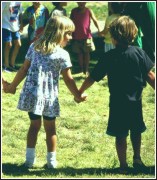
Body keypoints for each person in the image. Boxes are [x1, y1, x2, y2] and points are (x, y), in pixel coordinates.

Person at [3, 16, 87, 169]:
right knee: (51, 129)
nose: (70, 37)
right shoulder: (63, 54)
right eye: (68, 33)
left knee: (34, 126)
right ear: (57, 33)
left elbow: (23, 69)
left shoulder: (34, 46)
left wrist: (12, 87)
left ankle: (29, 161)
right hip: (49, 97)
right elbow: (68, 79)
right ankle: (52, 162)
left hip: (32, 95)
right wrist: (77, 95)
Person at [78, 16, 155, 173]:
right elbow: (150, 76)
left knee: (120, 135)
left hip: (117, 103)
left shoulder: (108, 56)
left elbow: (92, 77)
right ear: (133, 34)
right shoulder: (139, 53)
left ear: (112, 37)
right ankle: (137, 159)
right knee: (136, 130)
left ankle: (123, 165)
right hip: (136, 102)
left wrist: (80, 91)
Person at [70, 2, 101, 75]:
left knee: (87, 53)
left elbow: (95, 20)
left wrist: (99, 30)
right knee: (79, 54)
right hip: (76, 36)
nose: (81, 3)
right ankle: (81, 69)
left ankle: (86, 69)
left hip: (87, 37)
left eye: (83, 2)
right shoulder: (73, 11)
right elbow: (70, 22)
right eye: (79, 2)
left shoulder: (89, 11)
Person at [2, 2, 23, 72]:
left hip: (15, 26)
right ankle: (6, 66)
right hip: (5, 25)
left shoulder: (19, 2)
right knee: (8, 45)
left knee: (18, 44)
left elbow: (20, 13)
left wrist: (21, 24)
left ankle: (12, 64)